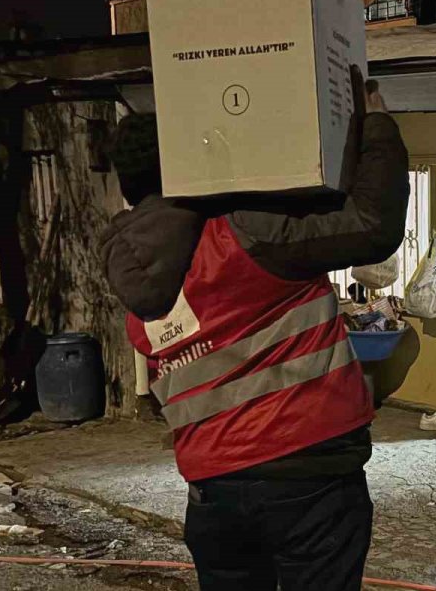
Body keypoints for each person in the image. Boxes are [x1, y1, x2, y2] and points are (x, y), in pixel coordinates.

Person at [100, 68, 409, 591]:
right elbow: (372, 226)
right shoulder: (245, 236)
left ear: (129, 189)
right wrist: (375, 125)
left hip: (214, 498)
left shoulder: (140, 292)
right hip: (308, 484)